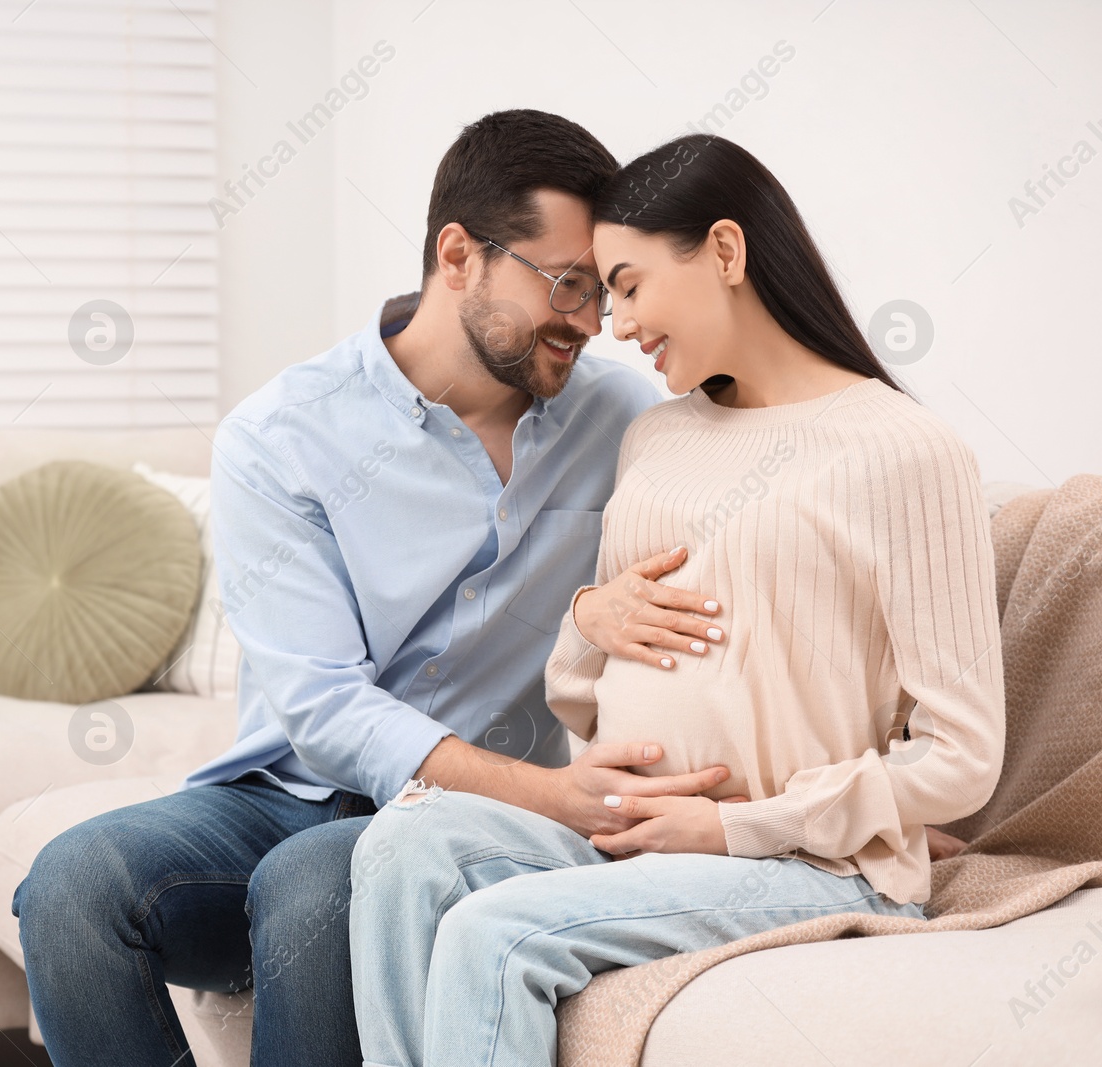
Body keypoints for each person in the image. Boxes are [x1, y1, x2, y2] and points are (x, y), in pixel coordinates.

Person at [10, 110, 744, 1066]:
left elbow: (779, 466)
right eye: (565, 284)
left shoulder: (621, 416)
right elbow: (322, 707)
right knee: (71, 885)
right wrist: (561, 795)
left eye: (601, 293)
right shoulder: (282, 437)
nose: (588, 322)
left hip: (475, 824)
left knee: (315, 887)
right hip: (296, 795)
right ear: (458, 254)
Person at [349, 133, 1006, 1067]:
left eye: (627, 283)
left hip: (807, 866)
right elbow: (581, 692)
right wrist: (585, 623)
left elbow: (964, 757)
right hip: (638, 839)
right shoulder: (656, 437)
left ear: (727, 253)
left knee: (494, 935)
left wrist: (738, 824)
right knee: (399, 843)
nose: (614, 323)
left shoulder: (904, 452)